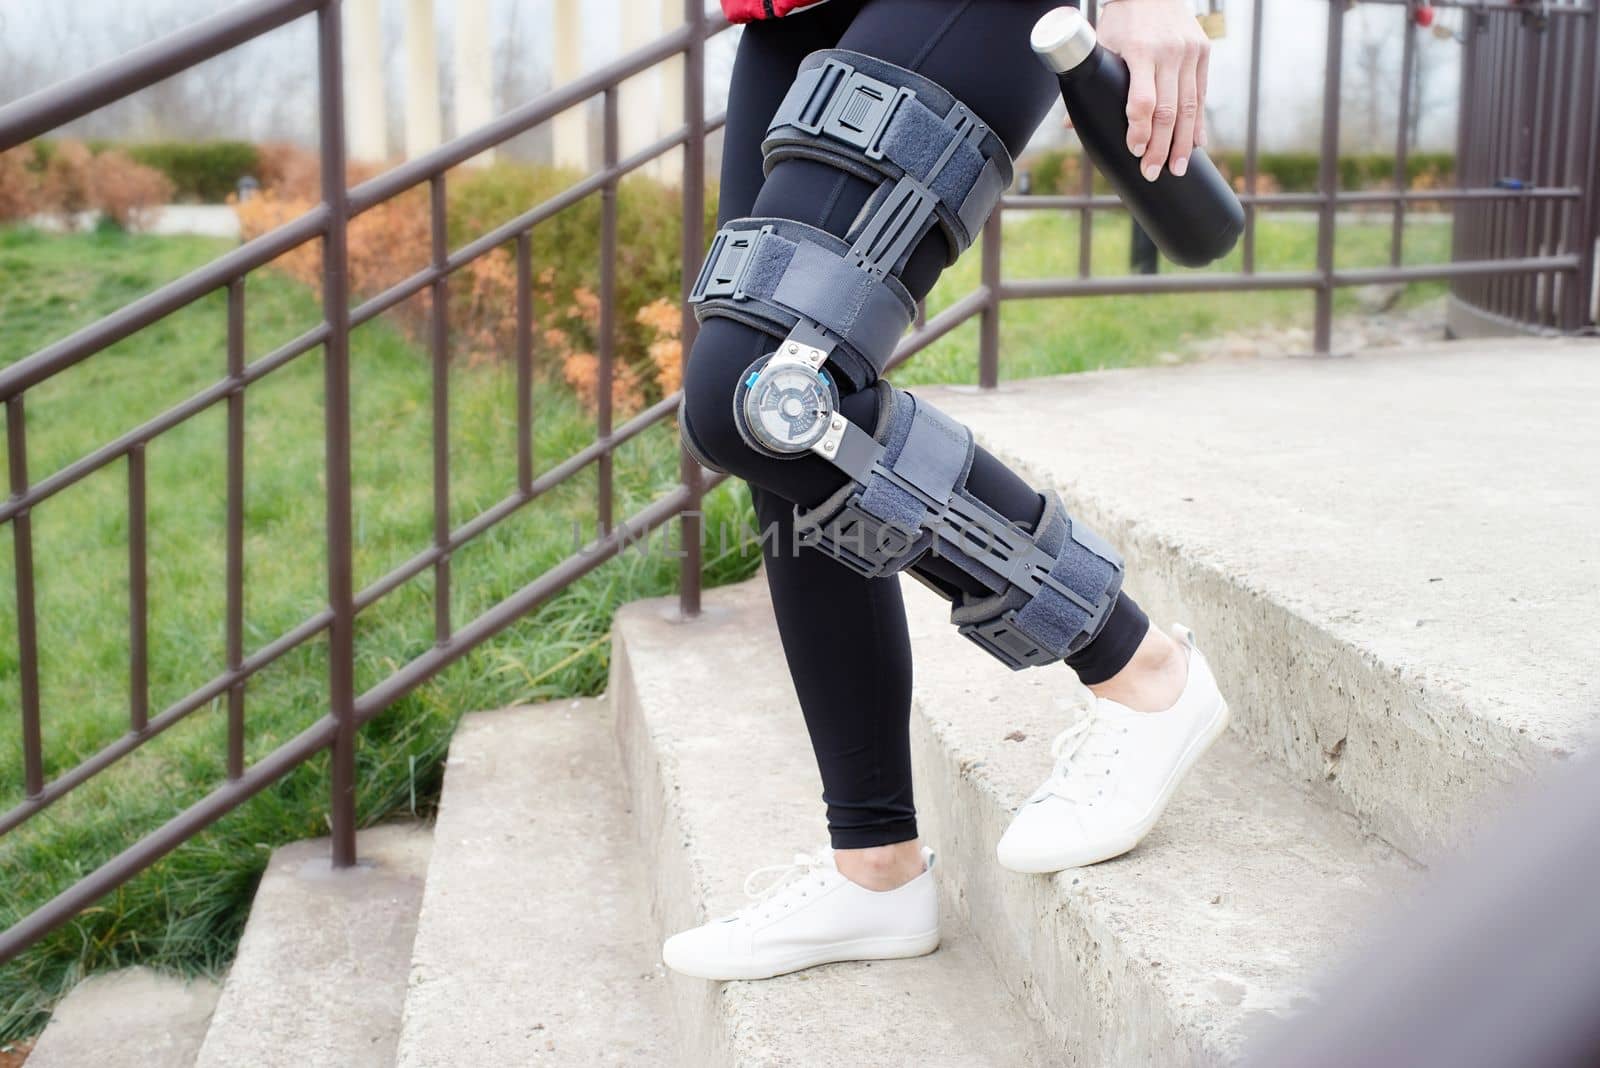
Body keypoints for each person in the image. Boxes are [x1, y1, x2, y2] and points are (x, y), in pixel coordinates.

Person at [665, 0, 1226, 982]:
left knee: (761, 391)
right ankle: (873, 868)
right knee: (785, 398)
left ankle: (1140, 672)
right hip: (784, 16)